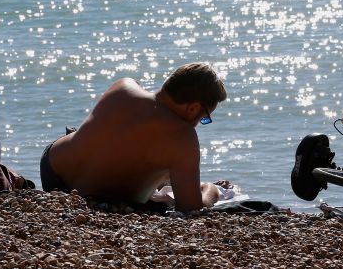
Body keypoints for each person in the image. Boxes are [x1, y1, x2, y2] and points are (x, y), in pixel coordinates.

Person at [40, 62, 227, 212]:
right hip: (100, 200)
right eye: (204, 119)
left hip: (53, 172)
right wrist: (211, 190)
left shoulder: (124, 86)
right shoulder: (182, 135)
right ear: (193, 107)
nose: (199, 124)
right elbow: (190, 208)